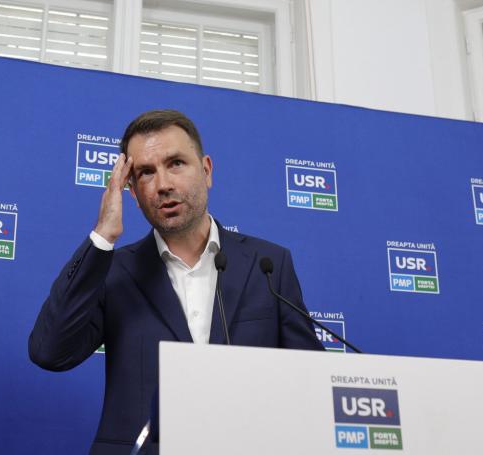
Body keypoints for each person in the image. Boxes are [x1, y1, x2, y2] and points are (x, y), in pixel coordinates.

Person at [29, 109, 322, 454]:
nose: (163, 184)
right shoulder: (112, 271)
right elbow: (50, 352)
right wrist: (103, 235)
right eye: (146, 173)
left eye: (176, 163)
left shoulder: (269, 265)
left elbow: (311, 380)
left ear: (207, 170)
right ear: (132, 191)